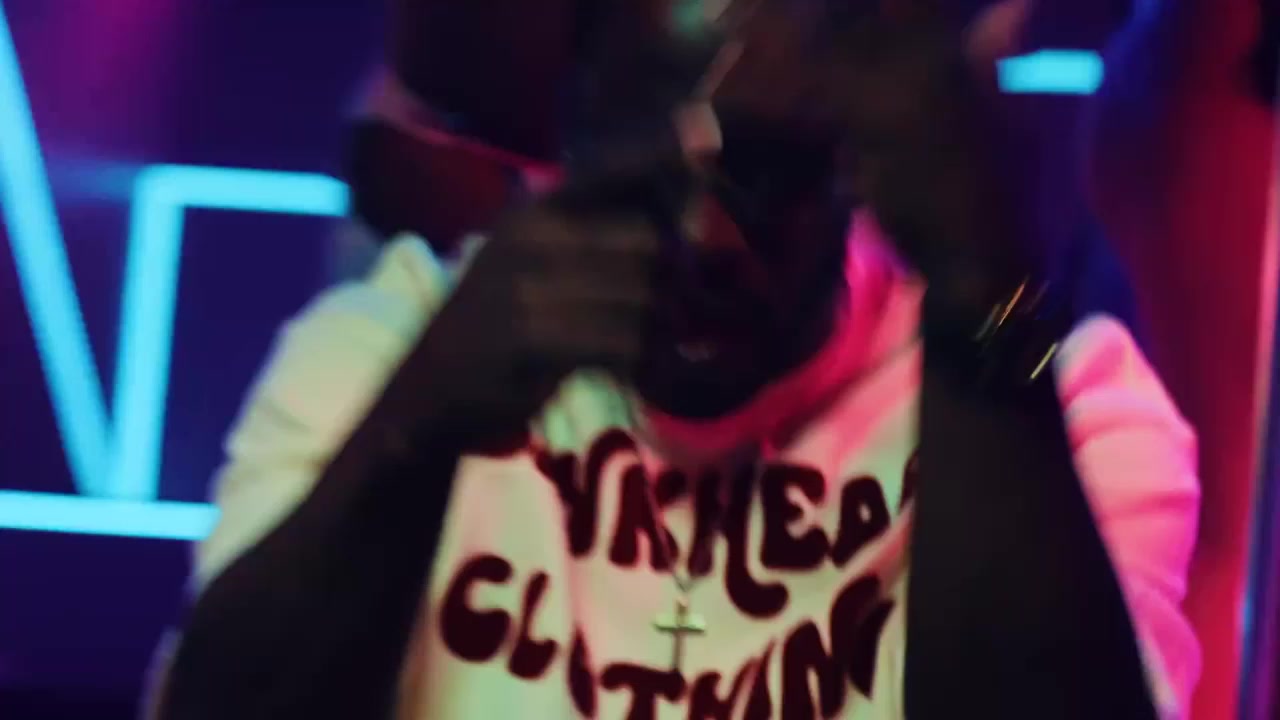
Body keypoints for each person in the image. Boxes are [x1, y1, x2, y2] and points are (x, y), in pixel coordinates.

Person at [153, 0, 1201, 718]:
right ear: (571, 138)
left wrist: (982, 305)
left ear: (854, 165)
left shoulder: (1070, 407)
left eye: (763, 176)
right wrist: (418, 425)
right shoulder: (389, 349)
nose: (707, 241)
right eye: (648, 173)